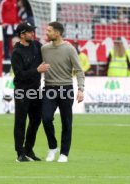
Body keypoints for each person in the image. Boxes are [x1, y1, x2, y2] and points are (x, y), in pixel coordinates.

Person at [41, 22, 85, 162]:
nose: (46, 33)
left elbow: (78, 70)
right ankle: (53, 147)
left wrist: (81, 89)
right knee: (46, 118)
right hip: (49, 88)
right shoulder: (44, 49)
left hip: (66, 89)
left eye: (49, 30)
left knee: (66, 122)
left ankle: (64, 153)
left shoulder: (70, 49)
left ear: (57, 33)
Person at [11, 22, 50, 162]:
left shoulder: (37, 46)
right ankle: (20, 153)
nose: (32, 34)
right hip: (22, 91)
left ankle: (28, 149)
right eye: (29, 32)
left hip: (35, 90)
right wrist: (37, 71)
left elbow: (49, 50)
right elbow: (19, 74)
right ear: (22, 35)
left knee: (36, 120)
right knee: (20, 122)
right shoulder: (16, 53)